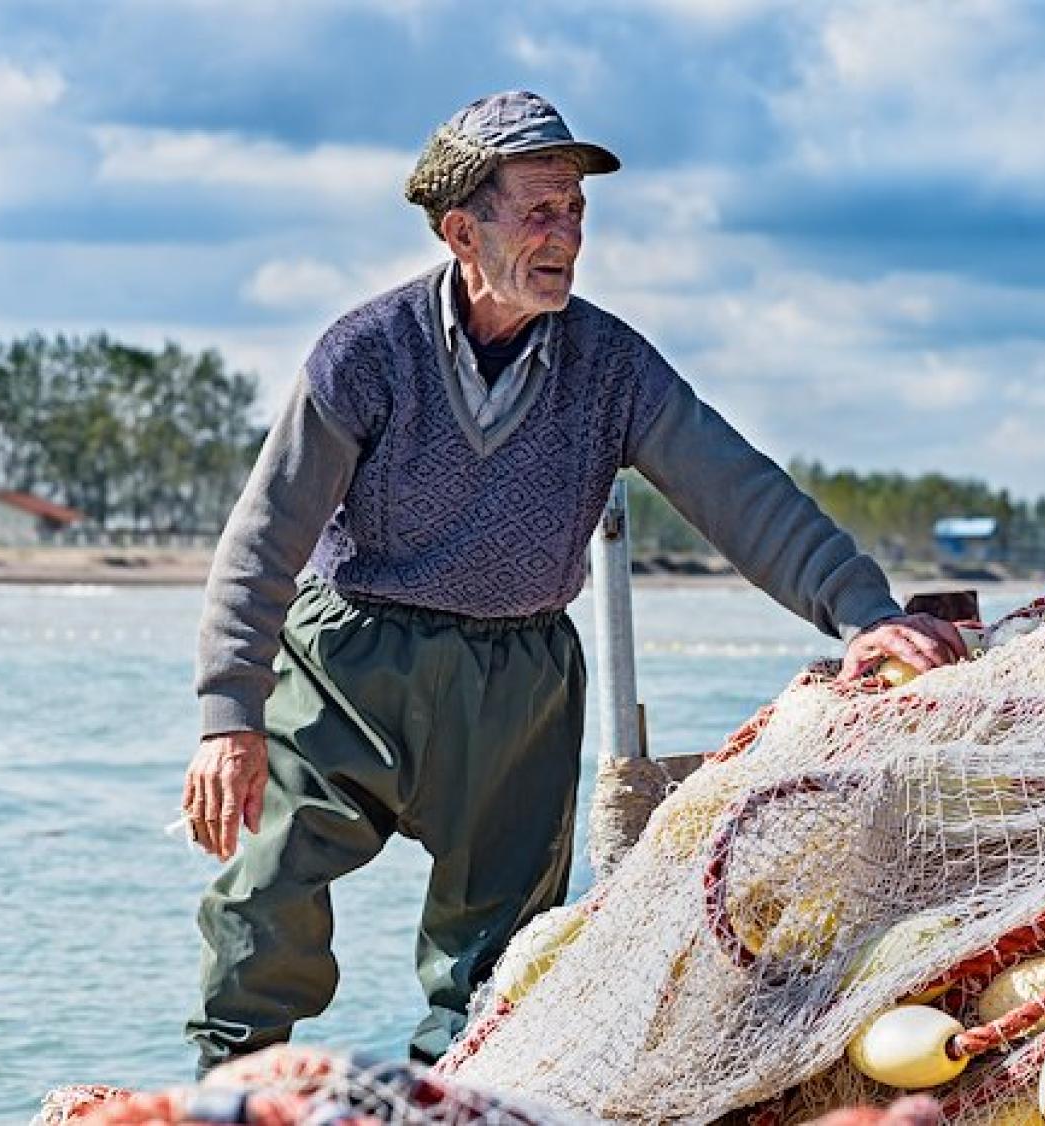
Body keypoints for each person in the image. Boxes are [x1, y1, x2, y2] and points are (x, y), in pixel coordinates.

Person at [182, 90, 965, 1072]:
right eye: (539, 212)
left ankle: (447, 1096)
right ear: (461, 229)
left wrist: (862, 612)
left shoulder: (611, 367)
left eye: (577, 212)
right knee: (266, 891)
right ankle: (225, 1089)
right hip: (351, 662)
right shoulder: (365, 353)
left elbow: (736, 490)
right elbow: (263, 541)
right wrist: (229, 716)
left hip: (520, 682)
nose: (567, 237)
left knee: (499, 956)